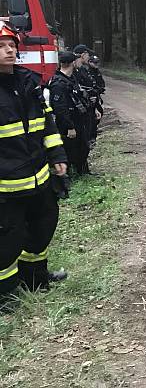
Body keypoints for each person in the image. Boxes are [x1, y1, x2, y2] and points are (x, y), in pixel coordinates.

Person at [0, 22, 69, 306]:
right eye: (1, 47)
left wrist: (58, 156)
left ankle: (35, 278)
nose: (8, 51)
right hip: (7, 185)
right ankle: (6, 295)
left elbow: (47, 121)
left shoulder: (28, 82)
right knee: (8, 240)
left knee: (44, 226)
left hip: (39, 175)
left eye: (11, 46)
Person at [48, 52, 91, 176]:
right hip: (68, 123)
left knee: (82, 146)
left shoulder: (71, 79)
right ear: (73, 63)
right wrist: (69, 126)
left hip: (78, 119)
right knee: (70, 149)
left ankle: (82, 171)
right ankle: (69, 175)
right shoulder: (58, 83)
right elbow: (60, 108)